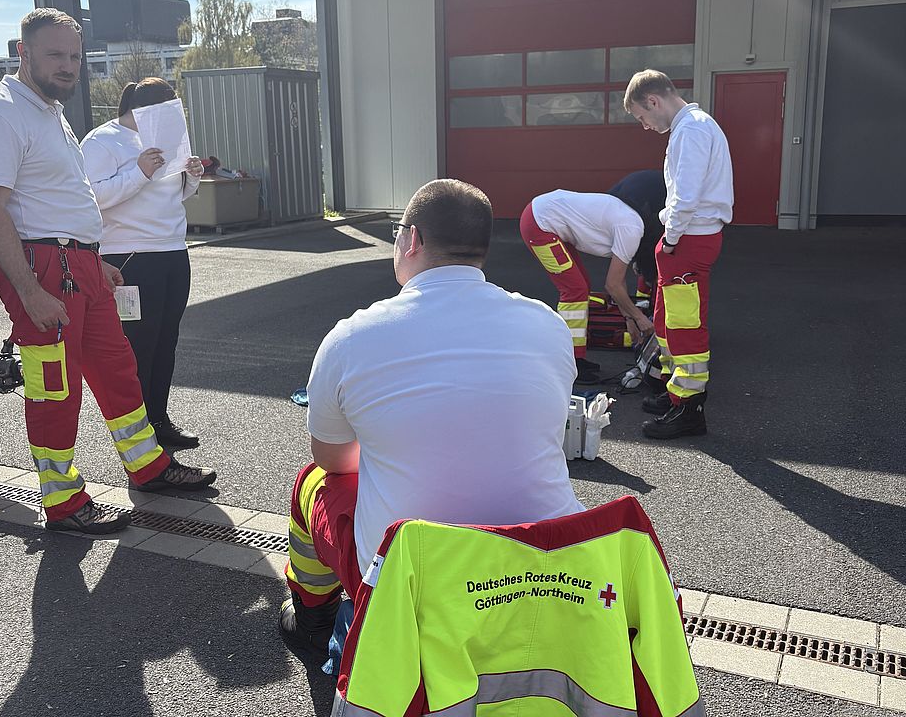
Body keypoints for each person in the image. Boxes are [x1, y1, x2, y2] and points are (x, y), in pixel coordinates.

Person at [280, 179, 585, 652]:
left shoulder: (351, 338)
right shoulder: (546, 322)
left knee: (311, 483)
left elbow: (335, 461)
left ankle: (311, 619)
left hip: (413, 580)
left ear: (413, 239)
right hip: (548, 564)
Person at [0, 8, 216, 535]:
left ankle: (149, 466)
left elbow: (62, 200)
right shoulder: (0, 111)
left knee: (119, 372)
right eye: (55, 54)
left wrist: (93, 261)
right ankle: (63, 502)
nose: (67, 66)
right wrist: (31, 291)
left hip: (80, 266)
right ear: (22, 51)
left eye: (74, 56)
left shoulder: (49, 111)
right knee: (56, 388)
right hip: (41, 268)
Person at [80, 77, 205, 450]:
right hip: (129, 256)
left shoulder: (165, 142)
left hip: (172, 250)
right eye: (166, 112)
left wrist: (192, 178)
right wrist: (138, 171)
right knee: (138, 345)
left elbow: (173, 196)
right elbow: (92, 198)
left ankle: (159, 420)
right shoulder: (102, 141)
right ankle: (137, 434)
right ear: (143, 111)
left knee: (167, 340)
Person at [624, 69, 733, 439]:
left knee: (685, 324)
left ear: (653, 101)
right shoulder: (695, 127)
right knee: (669, 318)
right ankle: (675, 393)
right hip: (687, 236)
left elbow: (685, 194)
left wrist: (670, 238)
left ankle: (689, 408)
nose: (644, 125)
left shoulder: (691, 130)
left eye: (642, 116)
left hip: (687, 237)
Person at [520, 170, 665, 382]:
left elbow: (620, 282)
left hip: (548, 216)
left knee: (582, 286)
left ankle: (575, 358)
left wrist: (629, 318)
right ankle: (570, 362)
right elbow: (613, 285)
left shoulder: (633, 226)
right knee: (574, 290)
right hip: (538, 225)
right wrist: (640, 318)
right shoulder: (631, 230)